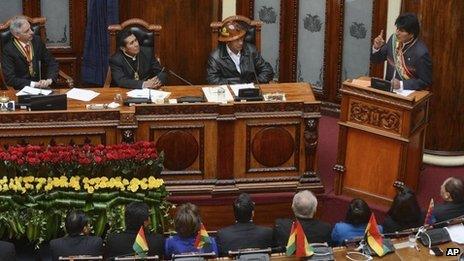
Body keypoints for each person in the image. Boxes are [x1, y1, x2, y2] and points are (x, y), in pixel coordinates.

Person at [370, 13, 432, 90]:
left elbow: (425, 81)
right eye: (397, 29)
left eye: (401, 31)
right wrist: (376, 48)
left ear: (412, 34)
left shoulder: (421, 53)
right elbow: (376, 60)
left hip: (408, 96)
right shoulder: (393, 40)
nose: (397, 33)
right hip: (388, 91)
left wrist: (401, 84)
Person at [206, 21, 274, 85]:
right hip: (229, 92)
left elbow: (267, 70)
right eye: (236, 40)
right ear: (227, 41)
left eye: (241, 38)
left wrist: (254, 84)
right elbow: (212, 79)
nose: (241, 43)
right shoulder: (216, 57)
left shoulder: (251, 50)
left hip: (251, 90)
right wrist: (234, 84)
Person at [1, 15, 59, 90]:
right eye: (27, 31)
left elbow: (52, 62)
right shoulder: (8, 50)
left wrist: (49, 80)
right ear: (17, 35)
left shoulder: (37, 41)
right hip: (21, 90)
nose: (32, 32)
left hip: (42, 89)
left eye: (30, 28)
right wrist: (34, 84)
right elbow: (10, 79)